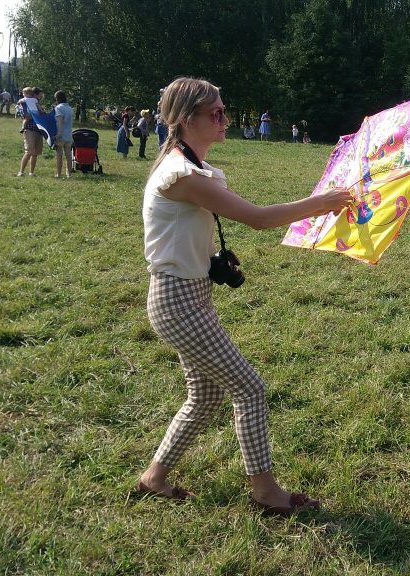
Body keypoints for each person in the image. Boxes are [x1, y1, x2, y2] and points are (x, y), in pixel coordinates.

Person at [134, 77, 351, 514]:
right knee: (249, 389)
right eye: (215, 113)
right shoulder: (180, 174)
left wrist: (210, 257)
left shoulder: (192, 168)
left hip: (188, 295)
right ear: (185, 118)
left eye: (224, 109)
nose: (224, 119)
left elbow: (180, 234)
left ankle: (153, 478)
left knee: (205, 395)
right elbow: (258, 218)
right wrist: (321, 201)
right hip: (177, 301)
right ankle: (265, 492)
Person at [16, 87, 42, 176]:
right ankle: (21, 171)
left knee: (35, 153)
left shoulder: (35, 102)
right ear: (34, 94)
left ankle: (31, 172)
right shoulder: (24, 103)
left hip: (38, 130)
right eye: (40, 94)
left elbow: (41, 113)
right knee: (29, 151)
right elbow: (23, 114)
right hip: (29, 129)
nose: (41, 96)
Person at [53, 90, 74, 178]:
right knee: (68, 155)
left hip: (61, 134)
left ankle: (58, 173)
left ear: (57, 99)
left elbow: (61, 122)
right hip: (69, 135)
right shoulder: (70, 108)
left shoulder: (58, 108)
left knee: (59, 155)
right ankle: (69, 173)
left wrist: (58, 134)